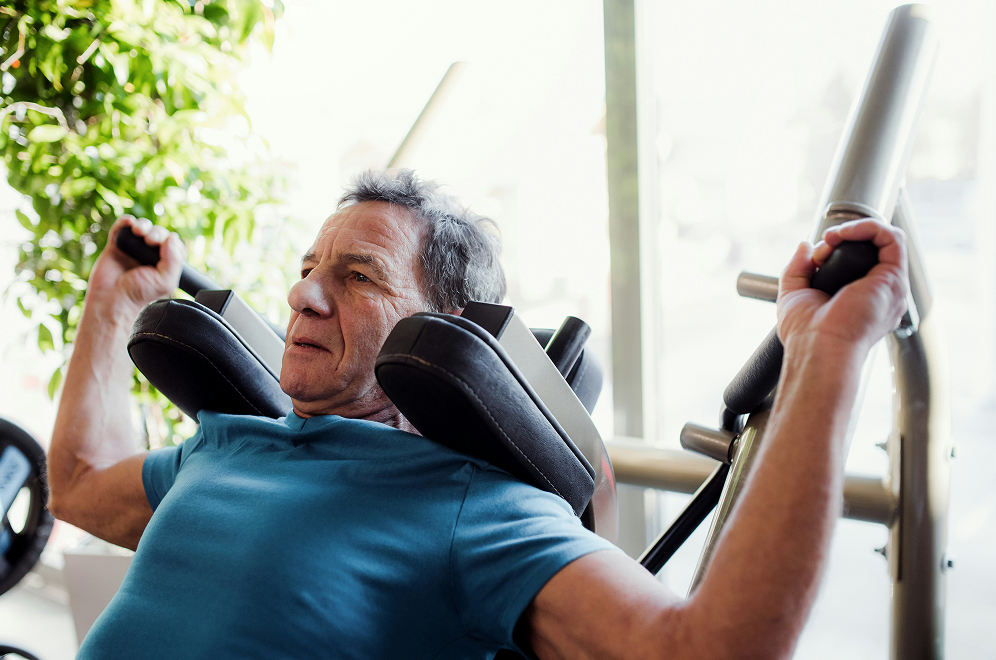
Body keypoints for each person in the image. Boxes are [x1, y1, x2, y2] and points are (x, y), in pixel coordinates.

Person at [47, 169, 909, 659]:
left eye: (357, 276)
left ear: (441, 328)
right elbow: (79, 483)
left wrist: (826, 352)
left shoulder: (474, 509)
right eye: (309, 268)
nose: (304, 294)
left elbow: (709, 649)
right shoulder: (229, 443)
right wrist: (113, 301)